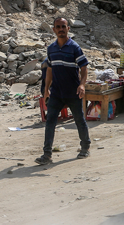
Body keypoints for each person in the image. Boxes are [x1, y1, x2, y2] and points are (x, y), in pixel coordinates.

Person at [36, 17, 91, 165]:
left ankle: (85, 147)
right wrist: (46, 89)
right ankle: (47, 155)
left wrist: (82, 85)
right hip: (56, 93)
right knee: (50, 122)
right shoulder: (51, 49)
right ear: (54, 29)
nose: (61, 29)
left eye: (63, 26)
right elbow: (49, 70)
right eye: (58, 27)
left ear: (68, 29)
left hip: (73, 92)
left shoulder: (74, 47)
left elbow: (84, 67)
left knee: (79, 120)